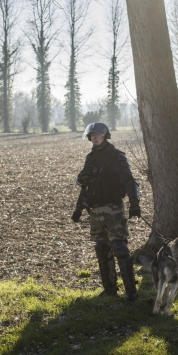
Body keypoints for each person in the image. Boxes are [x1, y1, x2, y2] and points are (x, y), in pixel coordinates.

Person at [71, 122, 141, 301]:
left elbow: (129, 181)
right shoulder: (91, 158)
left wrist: (134, 203)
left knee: (119, 247)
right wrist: (78, 209)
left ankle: (131, 292)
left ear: (105, 136)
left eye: (97, 134)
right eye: (91, 135)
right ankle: (109, 289)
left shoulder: (117, 157)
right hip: (94, 209)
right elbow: (86, 186)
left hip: (112, 209)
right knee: (101, 248)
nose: (94, 137)